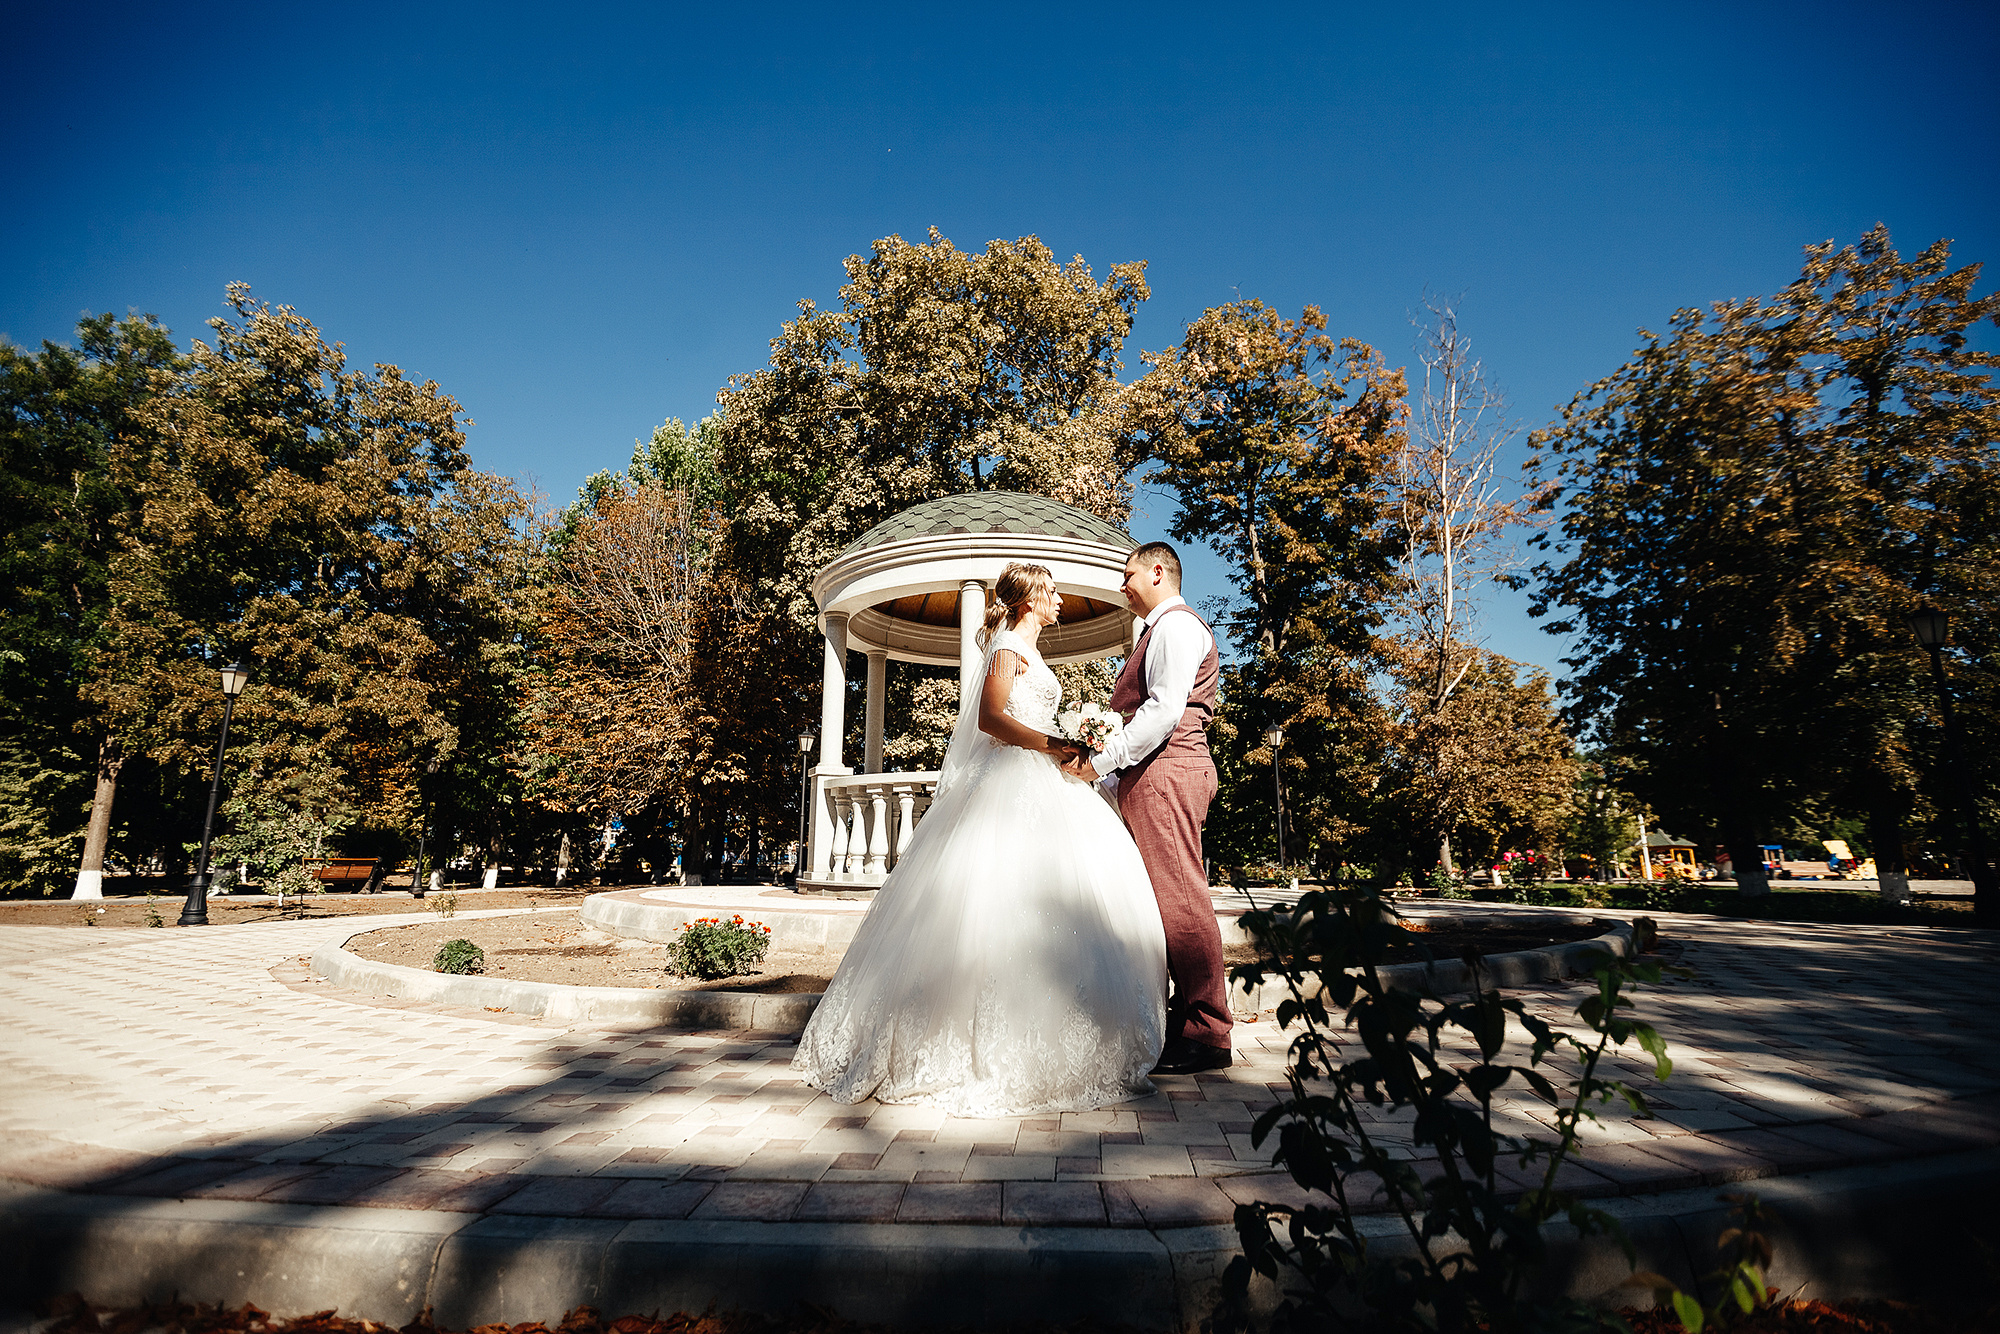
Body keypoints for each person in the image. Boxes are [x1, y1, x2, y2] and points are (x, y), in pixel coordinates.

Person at [792, 562, 1168, 1116]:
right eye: (1052, 591)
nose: (1060, 600)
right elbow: (992, 719)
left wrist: (1069, 741)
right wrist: (1051, 743)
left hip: (1045, 778)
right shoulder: (1007, 647)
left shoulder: (1028, 650)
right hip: (1010, 779)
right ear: (1029, 599)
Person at [1062, 541, 1229, 1075]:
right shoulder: (1158, 630)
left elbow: (1162, 711)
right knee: (1162, 900)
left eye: (1128, 573)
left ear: (1159, 571)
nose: (1122, 584)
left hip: (1169, 771)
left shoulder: (1177, 627)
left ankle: (1208, 1033)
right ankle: (1183, 1021)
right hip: (1152, 775)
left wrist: (1103, 761)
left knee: (1181, 898)